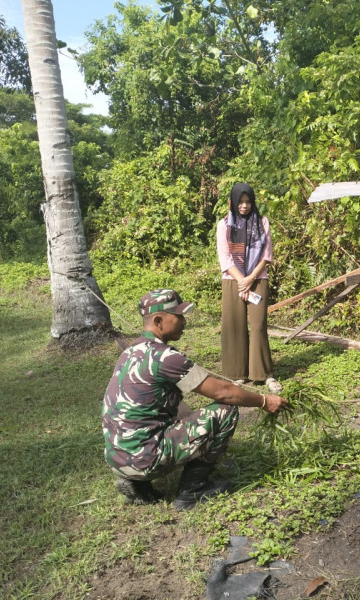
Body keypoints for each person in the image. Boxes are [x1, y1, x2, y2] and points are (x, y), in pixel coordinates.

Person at [102, 289, 287, 510]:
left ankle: (137, 483)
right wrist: (265, 401)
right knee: (225, 411)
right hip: (144, 458)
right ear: (159, 321)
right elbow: (224, 392)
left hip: (117, 457)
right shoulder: (165, 358)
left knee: (166, 412)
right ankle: (193, 490)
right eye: (178, 316)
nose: (184, 321)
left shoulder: (131, 351)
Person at [217, 182, 283, 393]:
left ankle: (264, 374)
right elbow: (225, 258)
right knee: (234, 325)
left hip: (258, 278)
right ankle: (237, 374)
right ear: (233, 202)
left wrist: (250, 278)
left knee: (258, 325)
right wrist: (241, 280)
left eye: (248, 202)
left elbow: (267, 255)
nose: (244, 206)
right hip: (232, 280)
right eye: (240, 202)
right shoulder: (224, 224)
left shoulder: (262, 223)